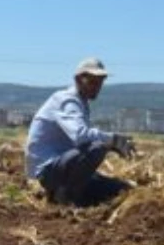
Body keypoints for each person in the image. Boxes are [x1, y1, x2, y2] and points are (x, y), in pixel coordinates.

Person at [25, 58, 137, 206]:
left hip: (62, 168)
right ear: (78, 80)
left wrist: (111, 145)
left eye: (100, 82)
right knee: (97, 147)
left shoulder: (80, 102)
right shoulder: (68, 101)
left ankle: (73, 194)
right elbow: (81, 136)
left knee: (120, 189)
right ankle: (64, 197)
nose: (97, 87)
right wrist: (113, 141)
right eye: (92, 82)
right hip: (47, 171)